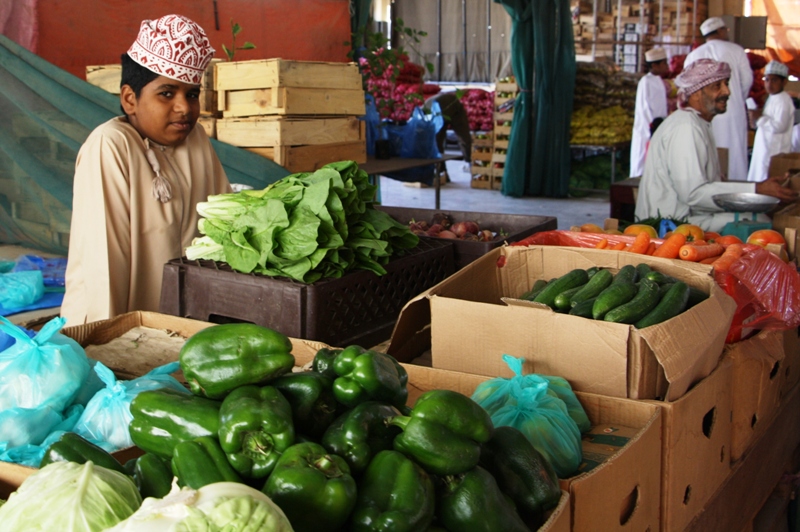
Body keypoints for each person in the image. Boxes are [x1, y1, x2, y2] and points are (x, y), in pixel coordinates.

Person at [62, 14, 232, 325]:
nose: (184, 107)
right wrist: (106, 345)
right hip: (119, 327)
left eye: (192, 94)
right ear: (130, 99)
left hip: (184, 325)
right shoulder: (110, 145)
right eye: (167, 94)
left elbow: (221, 226)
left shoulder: (195, 140)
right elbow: (103, 265)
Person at [635, 58, 797, 232]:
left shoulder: (697, 122)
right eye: (717, 86)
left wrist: (757, 189)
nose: (726, 91)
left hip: (690, 215)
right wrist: (757, 189)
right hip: (670, 224)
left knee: (756, 216)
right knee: (759, 222)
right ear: (696, 93)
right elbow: (694, 194)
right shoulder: (685, 126)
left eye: (726, 84)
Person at [683, 17, 753, 181]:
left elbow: (687, 88)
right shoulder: (736, 50)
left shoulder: (693, 55)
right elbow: (747, 80)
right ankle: (737, 197)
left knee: (706, 155)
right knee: (735, 156)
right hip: (732, 113)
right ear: (720, 31)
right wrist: (735, 99)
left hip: (704, 115)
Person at [747, 61, 795, 182]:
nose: (769, 84)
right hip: (765, 148)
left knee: (768, 180)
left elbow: (780, 126)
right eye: (767, 80)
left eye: (774, 80)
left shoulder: (783, 100)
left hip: (774, 150)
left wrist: (760, 118)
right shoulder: (773, 97)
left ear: (784, 82)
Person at [630, 47, 670, 178]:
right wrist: (653, 128)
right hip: (647, 130)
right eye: (664, 63)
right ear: (654, 65)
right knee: (642, 162)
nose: (666, 66)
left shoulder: (658, 81)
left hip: (658, 127)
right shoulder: (645, 82)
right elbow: (645, 108)